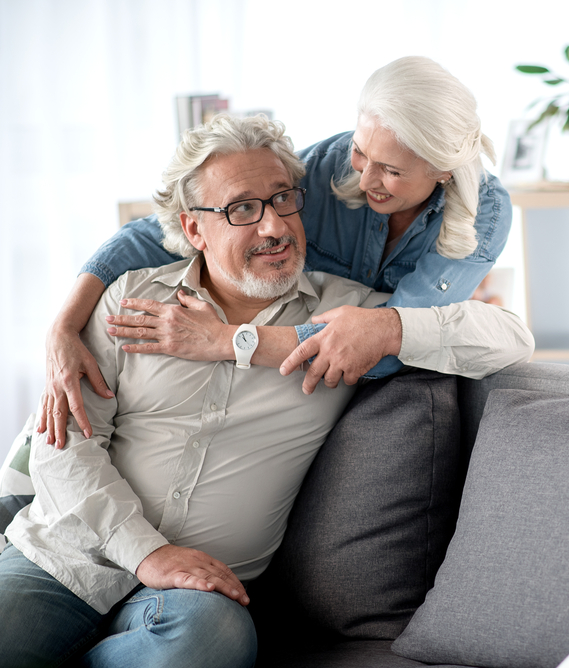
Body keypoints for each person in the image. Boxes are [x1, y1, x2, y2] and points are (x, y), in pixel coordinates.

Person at [0, 114, 533, 668]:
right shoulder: (130, 300)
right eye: (242, 209)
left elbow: (510, 339)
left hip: (195, 599)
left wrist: (388, 328)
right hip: (62, 560)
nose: (274, 227)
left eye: (283, 200)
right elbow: (64, 449)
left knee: (212, 642)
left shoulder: (342, 319)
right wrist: (149, 554)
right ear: (194, 229)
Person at [41, 55, 512, 448]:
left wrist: (227, 341)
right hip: (274, 351)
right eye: (361, 152)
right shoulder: (328, 165)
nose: (364, 179)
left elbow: (391, 340)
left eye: (389, 170)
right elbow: (162, 230)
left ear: (443, 169)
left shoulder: (483, 216)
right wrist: (62, 327)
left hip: (304, 384)